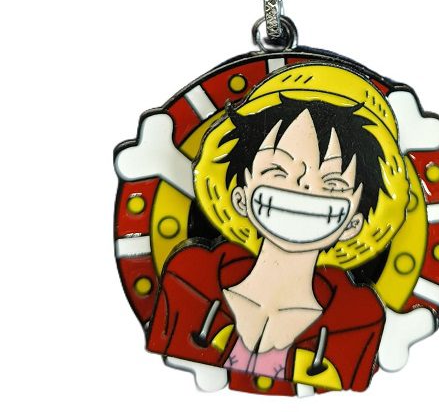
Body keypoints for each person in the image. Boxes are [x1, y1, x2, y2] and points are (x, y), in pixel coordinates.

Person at [148, 64, 410, 393]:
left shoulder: (357, 319)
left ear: (353, 224)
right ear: (240, 197)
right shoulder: (189, 280)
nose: (303, 188)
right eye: (278, 172)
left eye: (331, 184)